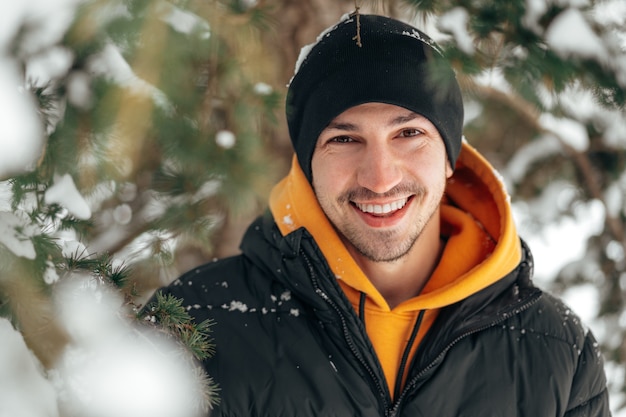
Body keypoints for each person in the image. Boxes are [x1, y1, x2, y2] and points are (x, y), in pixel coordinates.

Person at [155, 13, 611, 416]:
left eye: (409, 132)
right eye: (344, 139)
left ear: (452, 157)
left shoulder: (558, 353)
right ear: (307, 165)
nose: (379, 178)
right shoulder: (197, 323)